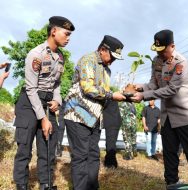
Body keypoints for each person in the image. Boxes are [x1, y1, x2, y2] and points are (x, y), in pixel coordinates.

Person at [131, 29, 188, 187]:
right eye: (157, 50)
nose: (160, 54)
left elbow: (171, 89)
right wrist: (139, 88)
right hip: (167, 117)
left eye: (163, 50)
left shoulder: (181, 63)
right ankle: (171, 184)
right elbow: (153, 84)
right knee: (169, 154)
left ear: (172, 46)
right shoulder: (156, 61)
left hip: (186, 116)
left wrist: (144, 96)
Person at [13, 16, 75, 190]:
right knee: (24, 150)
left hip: (48, 103)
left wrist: (57, 99)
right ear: (54, 31)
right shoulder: (36, 54)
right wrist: (43, 118)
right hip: (29, 103)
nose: (68, 38)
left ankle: (46, 184)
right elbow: (31, 89)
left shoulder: (60, 57)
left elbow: (56, 83)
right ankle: (21, 185)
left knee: (48, 147)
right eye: (66, 34)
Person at [64, 35, 126, 190]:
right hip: (78, 114)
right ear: (103, 49)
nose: (113, 60)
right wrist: (112, 95)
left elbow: (103, 93)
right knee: (81, 156)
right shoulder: (88, 60)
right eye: (112, 56)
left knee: (93, 155)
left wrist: (119, 95)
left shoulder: (107, 70)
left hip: (94, 117)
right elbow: (88, 88)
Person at [103, 99, 122, 168]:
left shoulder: (108, 98)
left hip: (112, 122)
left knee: (110, 144)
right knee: (111, 143)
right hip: (114, 122)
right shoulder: (112, 97)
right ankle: (109, 161)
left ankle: (111, 163)